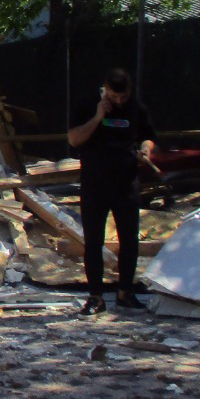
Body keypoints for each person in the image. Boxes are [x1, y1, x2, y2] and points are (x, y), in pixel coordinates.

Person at [66, 67, 156, 316]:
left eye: (122, 98)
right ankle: (95, 296)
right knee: (93, 240)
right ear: (105, 89)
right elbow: (74, 139)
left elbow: (148, 136)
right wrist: (97, 117)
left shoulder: (135, 108)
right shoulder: (87, 104)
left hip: (126, 181)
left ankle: (125, 292)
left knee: (129, 239)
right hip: (95, 182)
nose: (118, 102)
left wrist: (146, 150)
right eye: (114, 97)